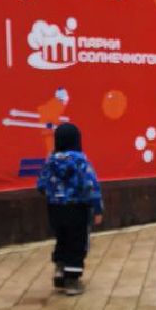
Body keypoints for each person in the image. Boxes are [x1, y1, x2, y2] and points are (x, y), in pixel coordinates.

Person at [36, 123, 103, 295]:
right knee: (77, 242)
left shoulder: (50, 161)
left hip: (55, 209)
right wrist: (97, 209)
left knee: (62, 238)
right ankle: (72, 281)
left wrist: (54, 194)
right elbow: (91, 185)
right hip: (77, 208)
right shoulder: (81, 161)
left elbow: (41, 185)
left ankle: (60, 271)